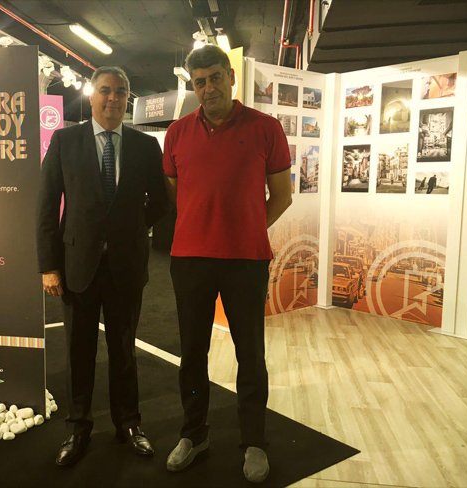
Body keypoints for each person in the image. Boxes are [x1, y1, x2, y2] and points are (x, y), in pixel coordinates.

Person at [162, 45, 292, 483]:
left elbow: (283, 196)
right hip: (190, 261)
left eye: (215, 77)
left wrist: (249, 227)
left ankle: (254, 442)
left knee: (250, 354)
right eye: (199, 82)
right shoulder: (177, 133)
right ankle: (193, 435)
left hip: (245, 261)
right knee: (192, 354)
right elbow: (175, 192)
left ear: (231, 77)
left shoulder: (266, 128)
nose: (208, 88)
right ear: (193, 86)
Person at [37, 66, 169, 467]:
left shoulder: (145, 146)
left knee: (124, 350)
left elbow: (160, 202)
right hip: (77, 265)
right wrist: (48, 266)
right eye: (106, 91)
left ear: (128, 98)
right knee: (78, 351)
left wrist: (131, 229)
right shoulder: (65, 141)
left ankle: (129, 423)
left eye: (121, 92)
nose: (113, 98)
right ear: (91, 95)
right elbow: (46, 207)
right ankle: (78, 427)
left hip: (126, 265)